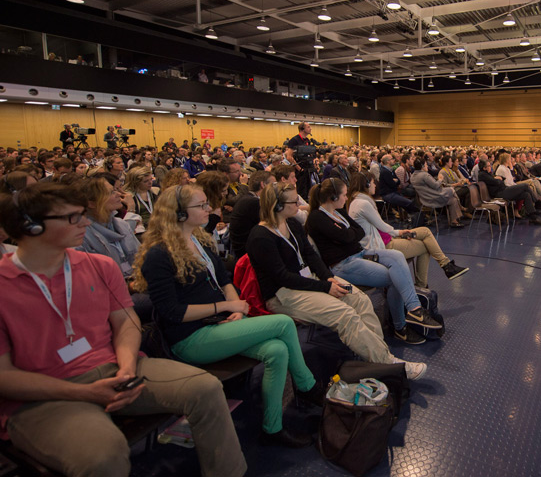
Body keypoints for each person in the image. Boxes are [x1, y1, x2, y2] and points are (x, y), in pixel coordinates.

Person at [0, 183, 246, 477]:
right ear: (32, 226)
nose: (86, 223)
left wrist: (126, 368)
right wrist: (87, 392)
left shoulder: (99, 266)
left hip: (115, 368)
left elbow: (126, 322)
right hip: (45, 396)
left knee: (205, 388)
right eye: (73, 218)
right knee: (102, 457)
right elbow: (5, 377)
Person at [132, 185, 320, 448]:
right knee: (283, 322)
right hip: (190, 338)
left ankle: (273, 428)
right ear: (179, 214)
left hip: (218, 325)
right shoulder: (159, 255)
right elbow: (172, 312)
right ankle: (308, 386)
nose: (209, 209)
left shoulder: (200, 241)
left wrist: (233, 306)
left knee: (277, 350)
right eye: (201, 205)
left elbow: (223, 279)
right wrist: (223, 308)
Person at [246, 182, 427, 379]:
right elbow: (283, 277)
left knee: (359, 298)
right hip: (284, 294)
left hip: (308, 282)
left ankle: (378, 356)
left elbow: (310, 255)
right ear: (278, 206)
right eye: (294, 201)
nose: (299, 204)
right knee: (344, 315)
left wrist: (329, 278)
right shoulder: (260, 237)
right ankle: (387, 362)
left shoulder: (291, 225)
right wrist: (325, 286)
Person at [305, 178, 442, 345]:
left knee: (397, 256)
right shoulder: (317, 218)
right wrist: (347, 235)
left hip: (360, 253)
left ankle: (414, 309)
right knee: (394, 278)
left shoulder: (338, 212)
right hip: (343, 265)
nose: (346, 198)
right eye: (344, 195)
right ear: (333, 197)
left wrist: (347, 235)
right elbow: (348, 235)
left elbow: (358, 232)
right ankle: (400, 327)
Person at [347, 172, 467, 286]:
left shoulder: (359, 202)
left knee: (425, 232)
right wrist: (399, 232)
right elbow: (382, 226)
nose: (375, 185)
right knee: (425, 246)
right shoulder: (363, 204)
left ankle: (445, 267)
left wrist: (397, 233)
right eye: (373, 182)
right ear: (366, 184)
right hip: (382, 245)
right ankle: (429, 280)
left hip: (384, 238)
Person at [477, 159, 541, 225]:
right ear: (484, 168)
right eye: (489, 166)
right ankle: (538, 203)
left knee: (526, 194)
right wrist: (498, 179)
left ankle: (533, 217)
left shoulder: (487, 174)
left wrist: (498, 178)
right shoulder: (483, 175)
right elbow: (497, 182)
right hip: (500, 193)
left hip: (503, 190)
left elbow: (500, 179)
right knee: (525, 185)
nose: (490, 167)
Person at [229, 171, 276, 259]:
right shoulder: (253, 203)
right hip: (247, 254)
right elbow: (273, 224)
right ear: (263, 185)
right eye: (273, 184)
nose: (275, 188)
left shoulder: (250, 199)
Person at [411, 158, 465, 228]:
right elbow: (436, 185)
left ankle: (454, 220)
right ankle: (460, 208)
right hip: (433, 198)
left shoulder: (412, 176)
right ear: (422, 166)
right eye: (426, 165)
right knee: (451, 190)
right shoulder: (424, 175)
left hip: (424, 199)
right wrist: (440, 179)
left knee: (453, 200)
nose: (427, 166)